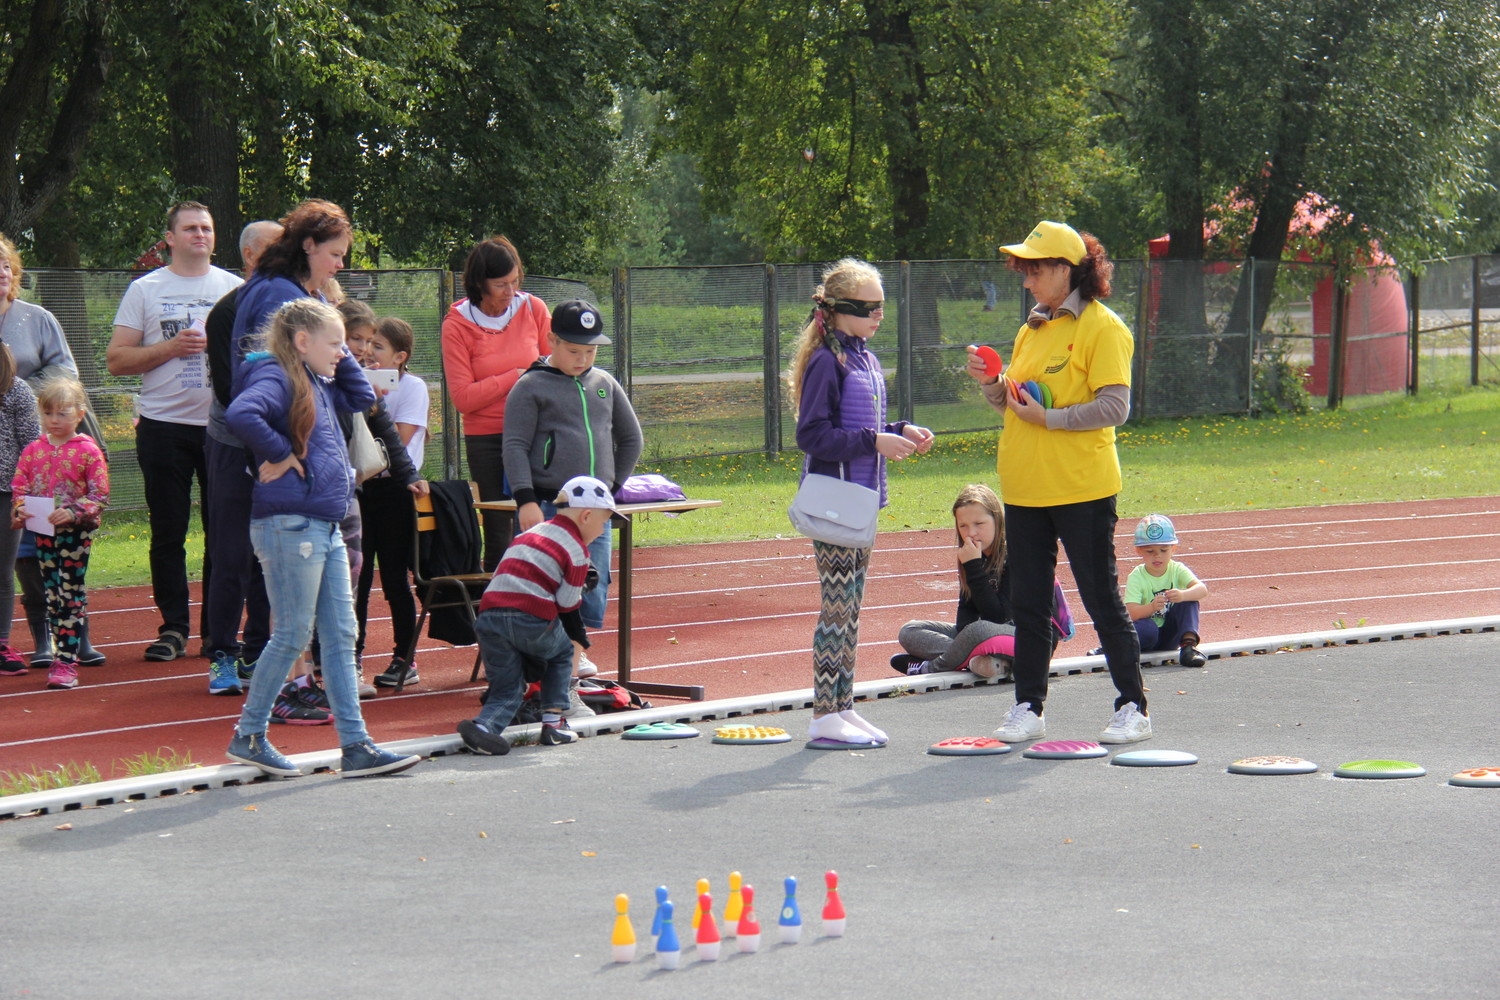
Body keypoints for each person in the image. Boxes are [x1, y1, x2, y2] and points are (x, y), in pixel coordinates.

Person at [968, 220, 1151, 745]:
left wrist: (1050, 420)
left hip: (1082, 488)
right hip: (1025, 488)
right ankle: (1028, 705)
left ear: (1067, 270)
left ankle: (1133, 706)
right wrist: (993, 384)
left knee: (1101, 599)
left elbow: (1115, 407)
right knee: (1027, 604)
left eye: (1035, 269)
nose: (1027, 280)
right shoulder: (1032, 329)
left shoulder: (1104, 327)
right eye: (1024, 269)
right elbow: (1016, 400)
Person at [223, 298, 420, 778]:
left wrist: (340, 354)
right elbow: (242, 414)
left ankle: (356, 745)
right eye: (336, 344)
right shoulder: (277, 375)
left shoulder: (319, 379)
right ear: (301, 342)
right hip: (292, 523)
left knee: (340, 634)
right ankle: (249, 735)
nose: (346, 352)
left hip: (324, 524)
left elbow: (361, 398)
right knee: (292, 633)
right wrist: (281, 452)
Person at [203, 200, 351, 697]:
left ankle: (265, 668)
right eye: (335, 253)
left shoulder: (279, 289)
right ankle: (242, 666)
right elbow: (257, 392)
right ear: (307, 246)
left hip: (258, 442)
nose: (340, 265)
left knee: (266, 562)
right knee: (242, 555)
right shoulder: (281, 297)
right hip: (244, 444)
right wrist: (275, 452)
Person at [790, 259, 934, 746]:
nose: (878, 316)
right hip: (835, 501)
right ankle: (823, 715)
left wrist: (898, 431)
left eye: (881, 307)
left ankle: (842, 708)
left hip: (862, 501)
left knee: (851, 610)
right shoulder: (826, 362)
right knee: (836, 609)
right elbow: (812, 435)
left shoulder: (865, 359)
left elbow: (863, 426)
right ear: (839, 310)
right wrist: (874, 441)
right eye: (868, 308)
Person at [106, 201, 241, 662]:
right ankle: (173, 628)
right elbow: (117, 360)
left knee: (223, 532)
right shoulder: (146, 290)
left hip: (223, 428)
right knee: (169, 532)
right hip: (164, 426)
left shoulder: (234, 288)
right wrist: (169, 348)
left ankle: (217, 631)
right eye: (189, 229)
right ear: (170, 238)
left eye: (206, 227)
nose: (199, 235)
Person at [502, 299, 643, 681]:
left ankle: (574, 660)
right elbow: (514, 445)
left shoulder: (605, 384)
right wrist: (526, 499)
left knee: (589, 583)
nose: (583, 359)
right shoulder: (530, 386)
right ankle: (536, 665)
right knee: (543, 585)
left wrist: (611, 490)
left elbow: (631, 439)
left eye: (591, 350)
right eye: (573, 350)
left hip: (593, 512)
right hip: (549, 507)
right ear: (551, 340)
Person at [454, 475, 617, 756]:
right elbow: (566, 605)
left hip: (489, 616)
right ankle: (554, 724)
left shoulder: (528, 534)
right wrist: (580, 588)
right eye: (603, 523)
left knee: (508, 686)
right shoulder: (577, 551)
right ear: (587, 515)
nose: (603, 530)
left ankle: (482, 729)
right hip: (528, 616)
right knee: (563, 652)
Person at [0, 233, 104, 669]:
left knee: (55, 541)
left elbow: (64, 372)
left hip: (45, 443)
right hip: (10, 459)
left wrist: (16, 387)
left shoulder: (36, 318)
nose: (1, 273)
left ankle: (76, 635)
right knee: (21, 553)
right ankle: (42, 634)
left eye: (5, 265)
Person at [201, 219, 282, 693]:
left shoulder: (293, 308)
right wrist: (273, 443)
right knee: (231, 552)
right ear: (251, 256)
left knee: (271, 553)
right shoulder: (227, 313)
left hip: (278, 442)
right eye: (275, 248)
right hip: (235, 444)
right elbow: (233, 393)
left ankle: (257, 651)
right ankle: (222, 655)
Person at [440, 236, 551, 571]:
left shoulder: (533, 308)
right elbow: (463, 398)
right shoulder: (456, 325)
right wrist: (516, 374)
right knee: (499, 529)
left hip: (533, 431)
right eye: (501, 284)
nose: (510, 291)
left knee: (536, 523)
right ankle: (497, 609)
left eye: (515, 281)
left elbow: (552, 366)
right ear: (478, 283)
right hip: (486, 437)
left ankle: (536, 599)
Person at [9, 378, 108, 690]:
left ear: (79, 414)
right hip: (43, 534)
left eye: (62, 414)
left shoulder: (89, 451)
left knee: (70, 593)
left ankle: (66, 660)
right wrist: (20, 507)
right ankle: (61, 655)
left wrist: (75, 511)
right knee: (53, 594)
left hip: (74, 537)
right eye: (48, 413)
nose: (54, 420)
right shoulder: (33, 449)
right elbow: (20, 483)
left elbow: (99, 494)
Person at [355, 316, 430, 688]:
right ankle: (352, 655)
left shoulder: (412, 387)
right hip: (361, 489)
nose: (368, 352)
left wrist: (373, 405)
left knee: (395, 581)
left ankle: (405, 657)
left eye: (378, 346)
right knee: (358, 576)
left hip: (396, 491)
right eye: (366, 344)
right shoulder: (354, 381)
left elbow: (397, 440)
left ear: (400, 357)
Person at [891, 483, 1019, 680]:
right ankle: (981, 663)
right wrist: (963, 641)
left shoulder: (1015, 554)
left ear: (997, 519)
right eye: (963, 526)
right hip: (981, 639)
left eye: (979, 524)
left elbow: (999, 618)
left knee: (979, 629)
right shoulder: (972, 555)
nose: (971, 533)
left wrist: (973, 566)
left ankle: (929, 668)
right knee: (909, 631)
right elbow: (966, 613)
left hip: (1019, 636)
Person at [1126, 513, 1209, 667]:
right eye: (1150, 551)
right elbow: (1131, 612)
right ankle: (1114, 647)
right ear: (1139, 551)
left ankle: (1189, 647)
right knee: (1147, 629)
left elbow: (1202, 590)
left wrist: (1183, 595)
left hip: (1170, 635)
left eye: (1163, 550)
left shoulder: (1177, 569)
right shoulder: (1137, 576)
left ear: (1173, 549)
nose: (1157, 556)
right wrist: (1151, 607)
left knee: (1189, 601)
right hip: (1147, 635)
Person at [0, 345, 38, 674]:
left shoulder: (16, 389)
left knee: (2, 571)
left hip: (5, 493)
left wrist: (23, 496)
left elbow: (30, 444)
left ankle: (1, 642)